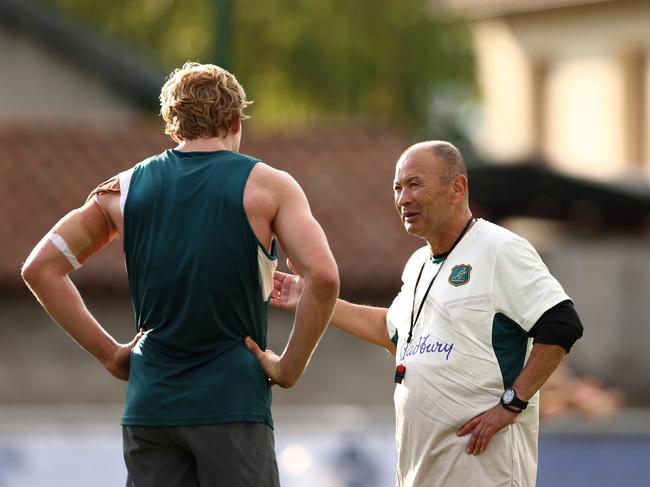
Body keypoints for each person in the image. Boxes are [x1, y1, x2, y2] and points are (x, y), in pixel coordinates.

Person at [21, 61, 339, 487]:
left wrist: (110, 353)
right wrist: (289, 368)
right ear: (234, 120)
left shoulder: (124, 188)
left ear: (173, 129)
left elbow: (40, 268)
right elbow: (324, 277)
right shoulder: (270, 187)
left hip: (151, 407)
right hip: (232, 404)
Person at [270, 141, 583, 486]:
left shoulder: (500, 248)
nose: (403, 198)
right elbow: (391, 332)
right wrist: (312, 298)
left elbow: (561, 324)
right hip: (424, 473)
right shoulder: (419, 264)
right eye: (398, 188)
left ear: (457, 187)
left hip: (483, 472)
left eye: (415, 184)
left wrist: (511, 404)